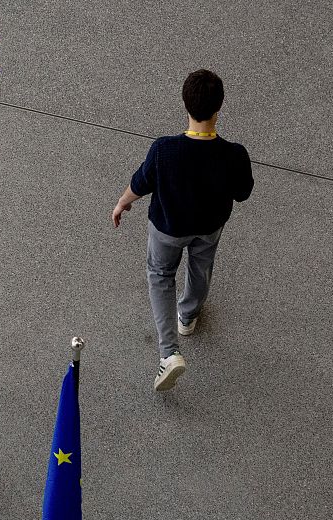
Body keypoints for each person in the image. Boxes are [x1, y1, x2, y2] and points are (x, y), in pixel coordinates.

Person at [111, 69, 254, 391]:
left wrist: (122, 203)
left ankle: (169, 352)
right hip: (209, 227)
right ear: (219, 108)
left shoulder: (164, 150)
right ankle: (188, 317)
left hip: (168, 229)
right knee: (201, 267)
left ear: (185, 105)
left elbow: (140, 183)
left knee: (161, 276)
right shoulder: (234, 154)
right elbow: (243, 193)